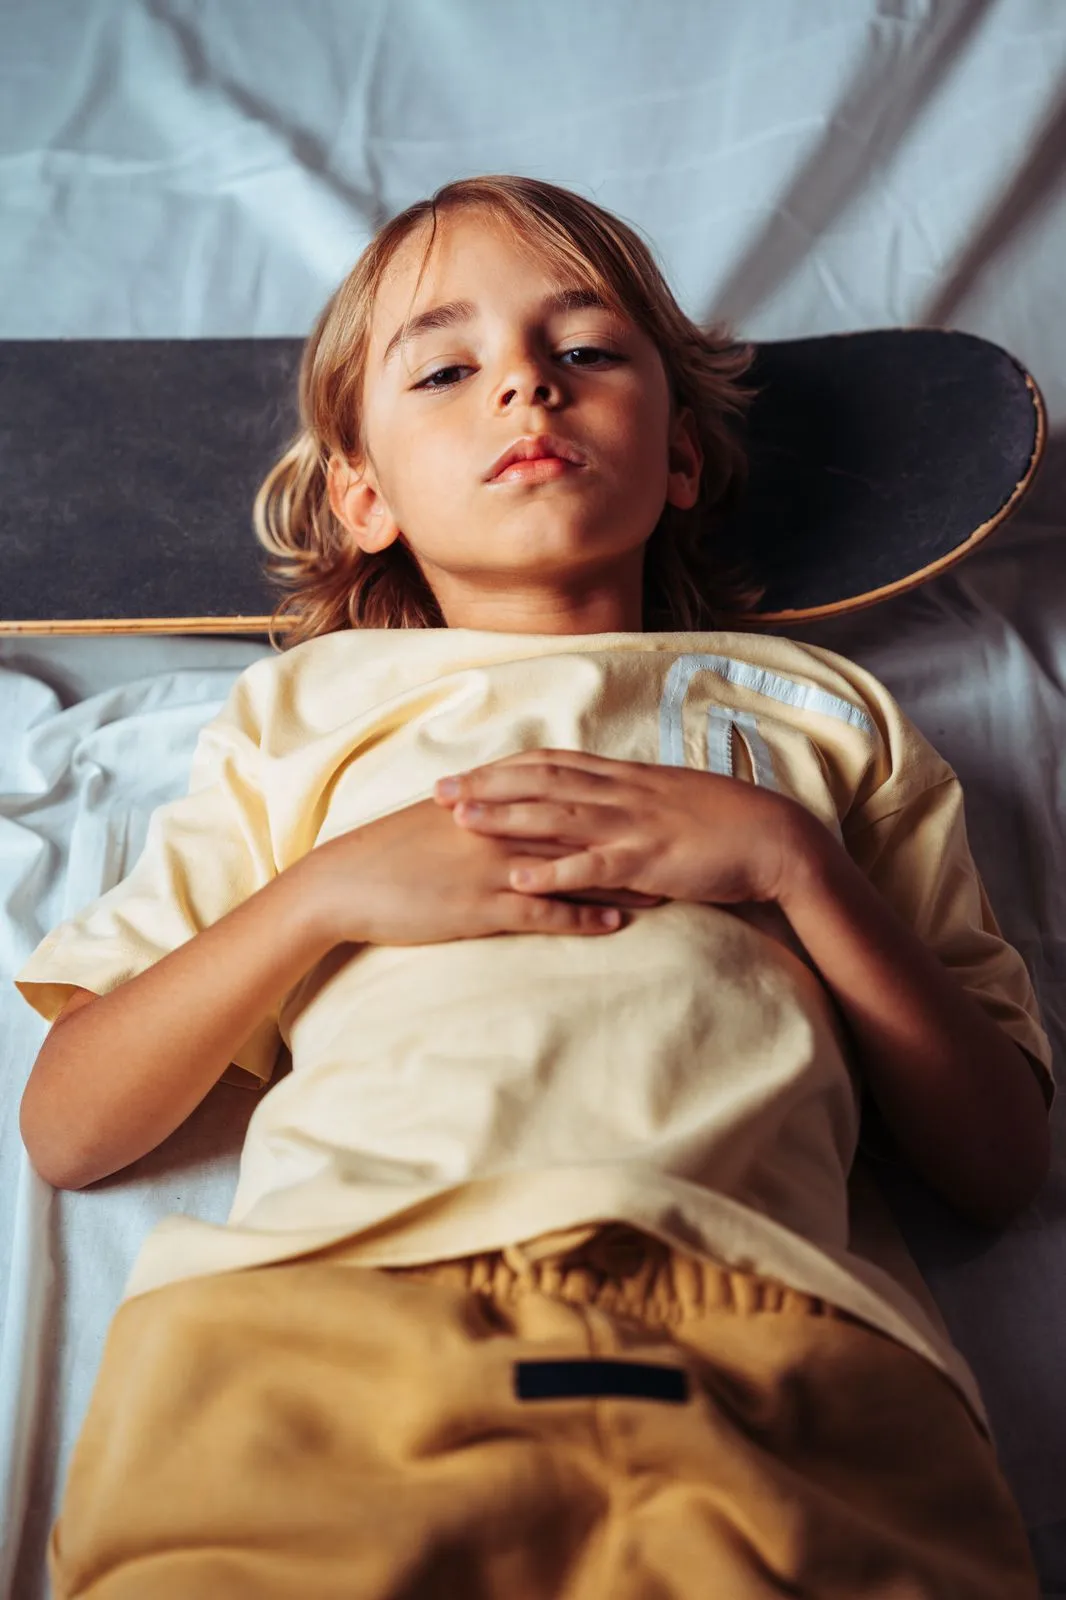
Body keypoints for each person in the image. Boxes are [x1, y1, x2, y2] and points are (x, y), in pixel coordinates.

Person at [16, 174, 1055, 1599]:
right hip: (317, 1326)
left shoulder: (822, 711)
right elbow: (70, 1127)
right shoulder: (300, 715)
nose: (524, 384)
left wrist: (794, 866)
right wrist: (322, 897)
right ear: (363, 495)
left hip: (776, 1339)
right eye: (445, 370)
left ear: (679, 458)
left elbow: (998, 1164)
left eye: (585, 349)